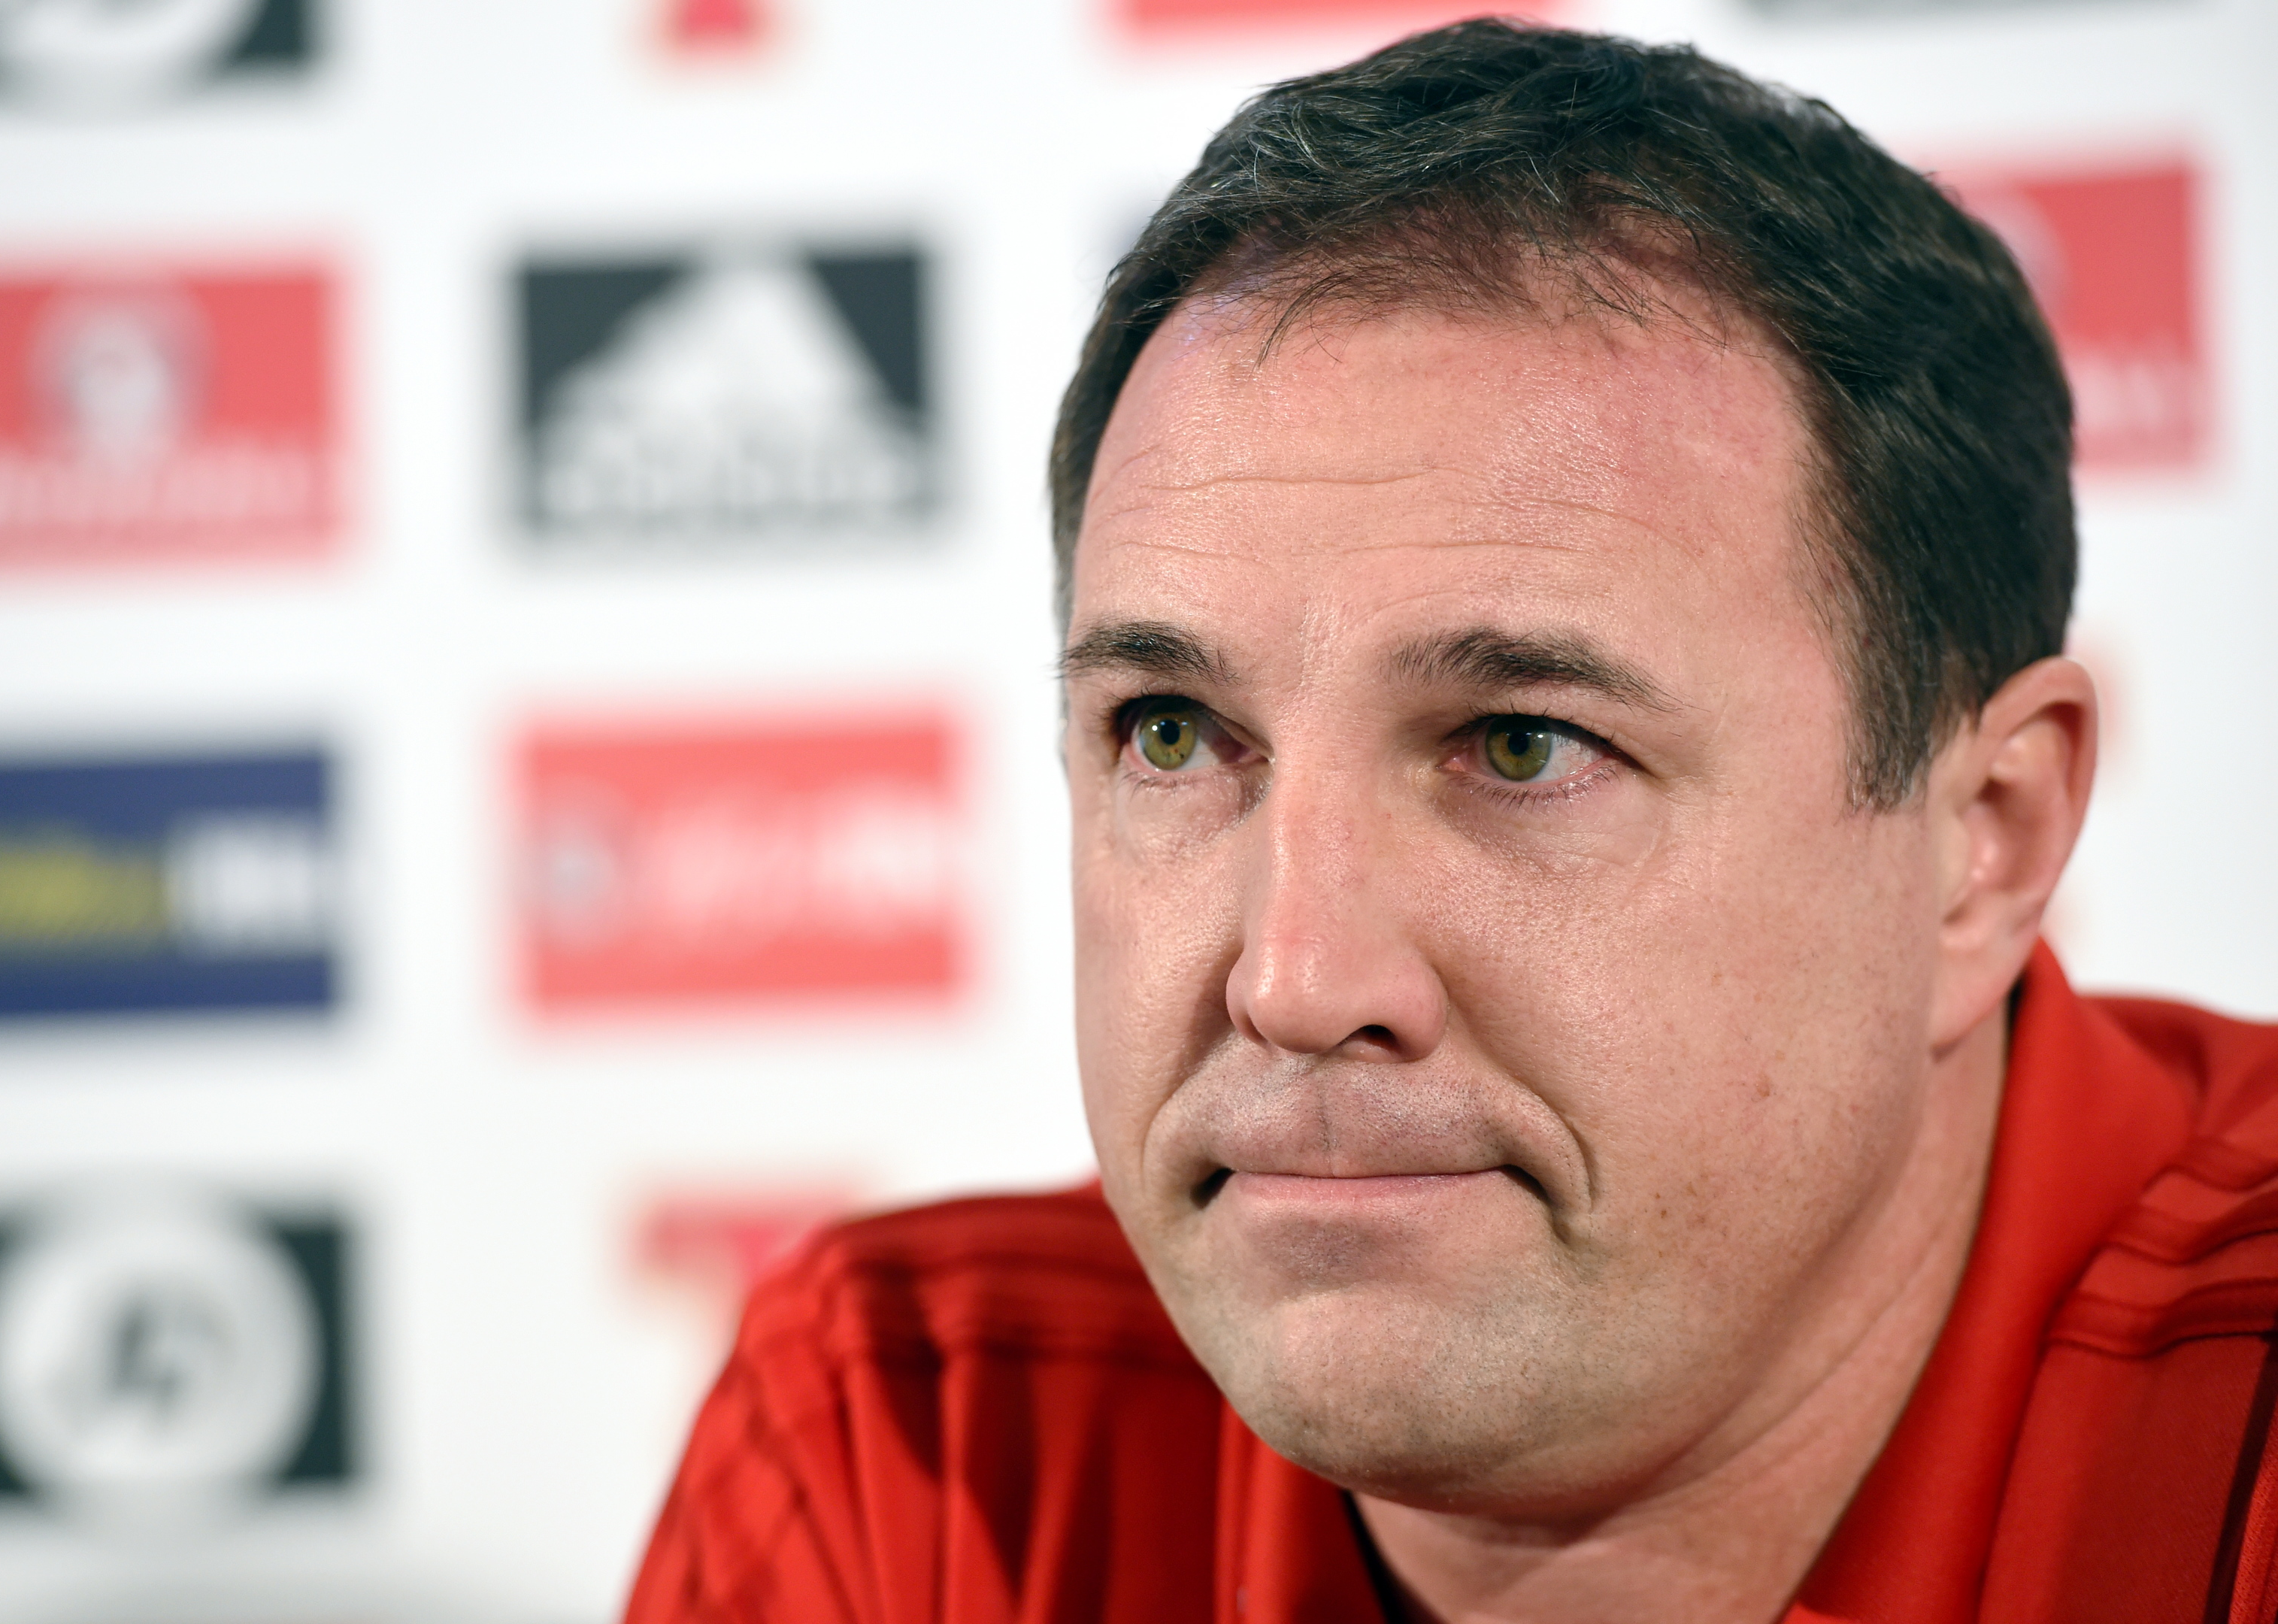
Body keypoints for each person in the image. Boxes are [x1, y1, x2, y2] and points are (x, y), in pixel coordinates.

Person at [626, 21, 2278, 1623]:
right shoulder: (911, 1445)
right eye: (1175, 733)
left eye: (1521, 746)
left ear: (1984, 838)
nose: (1294, 978)